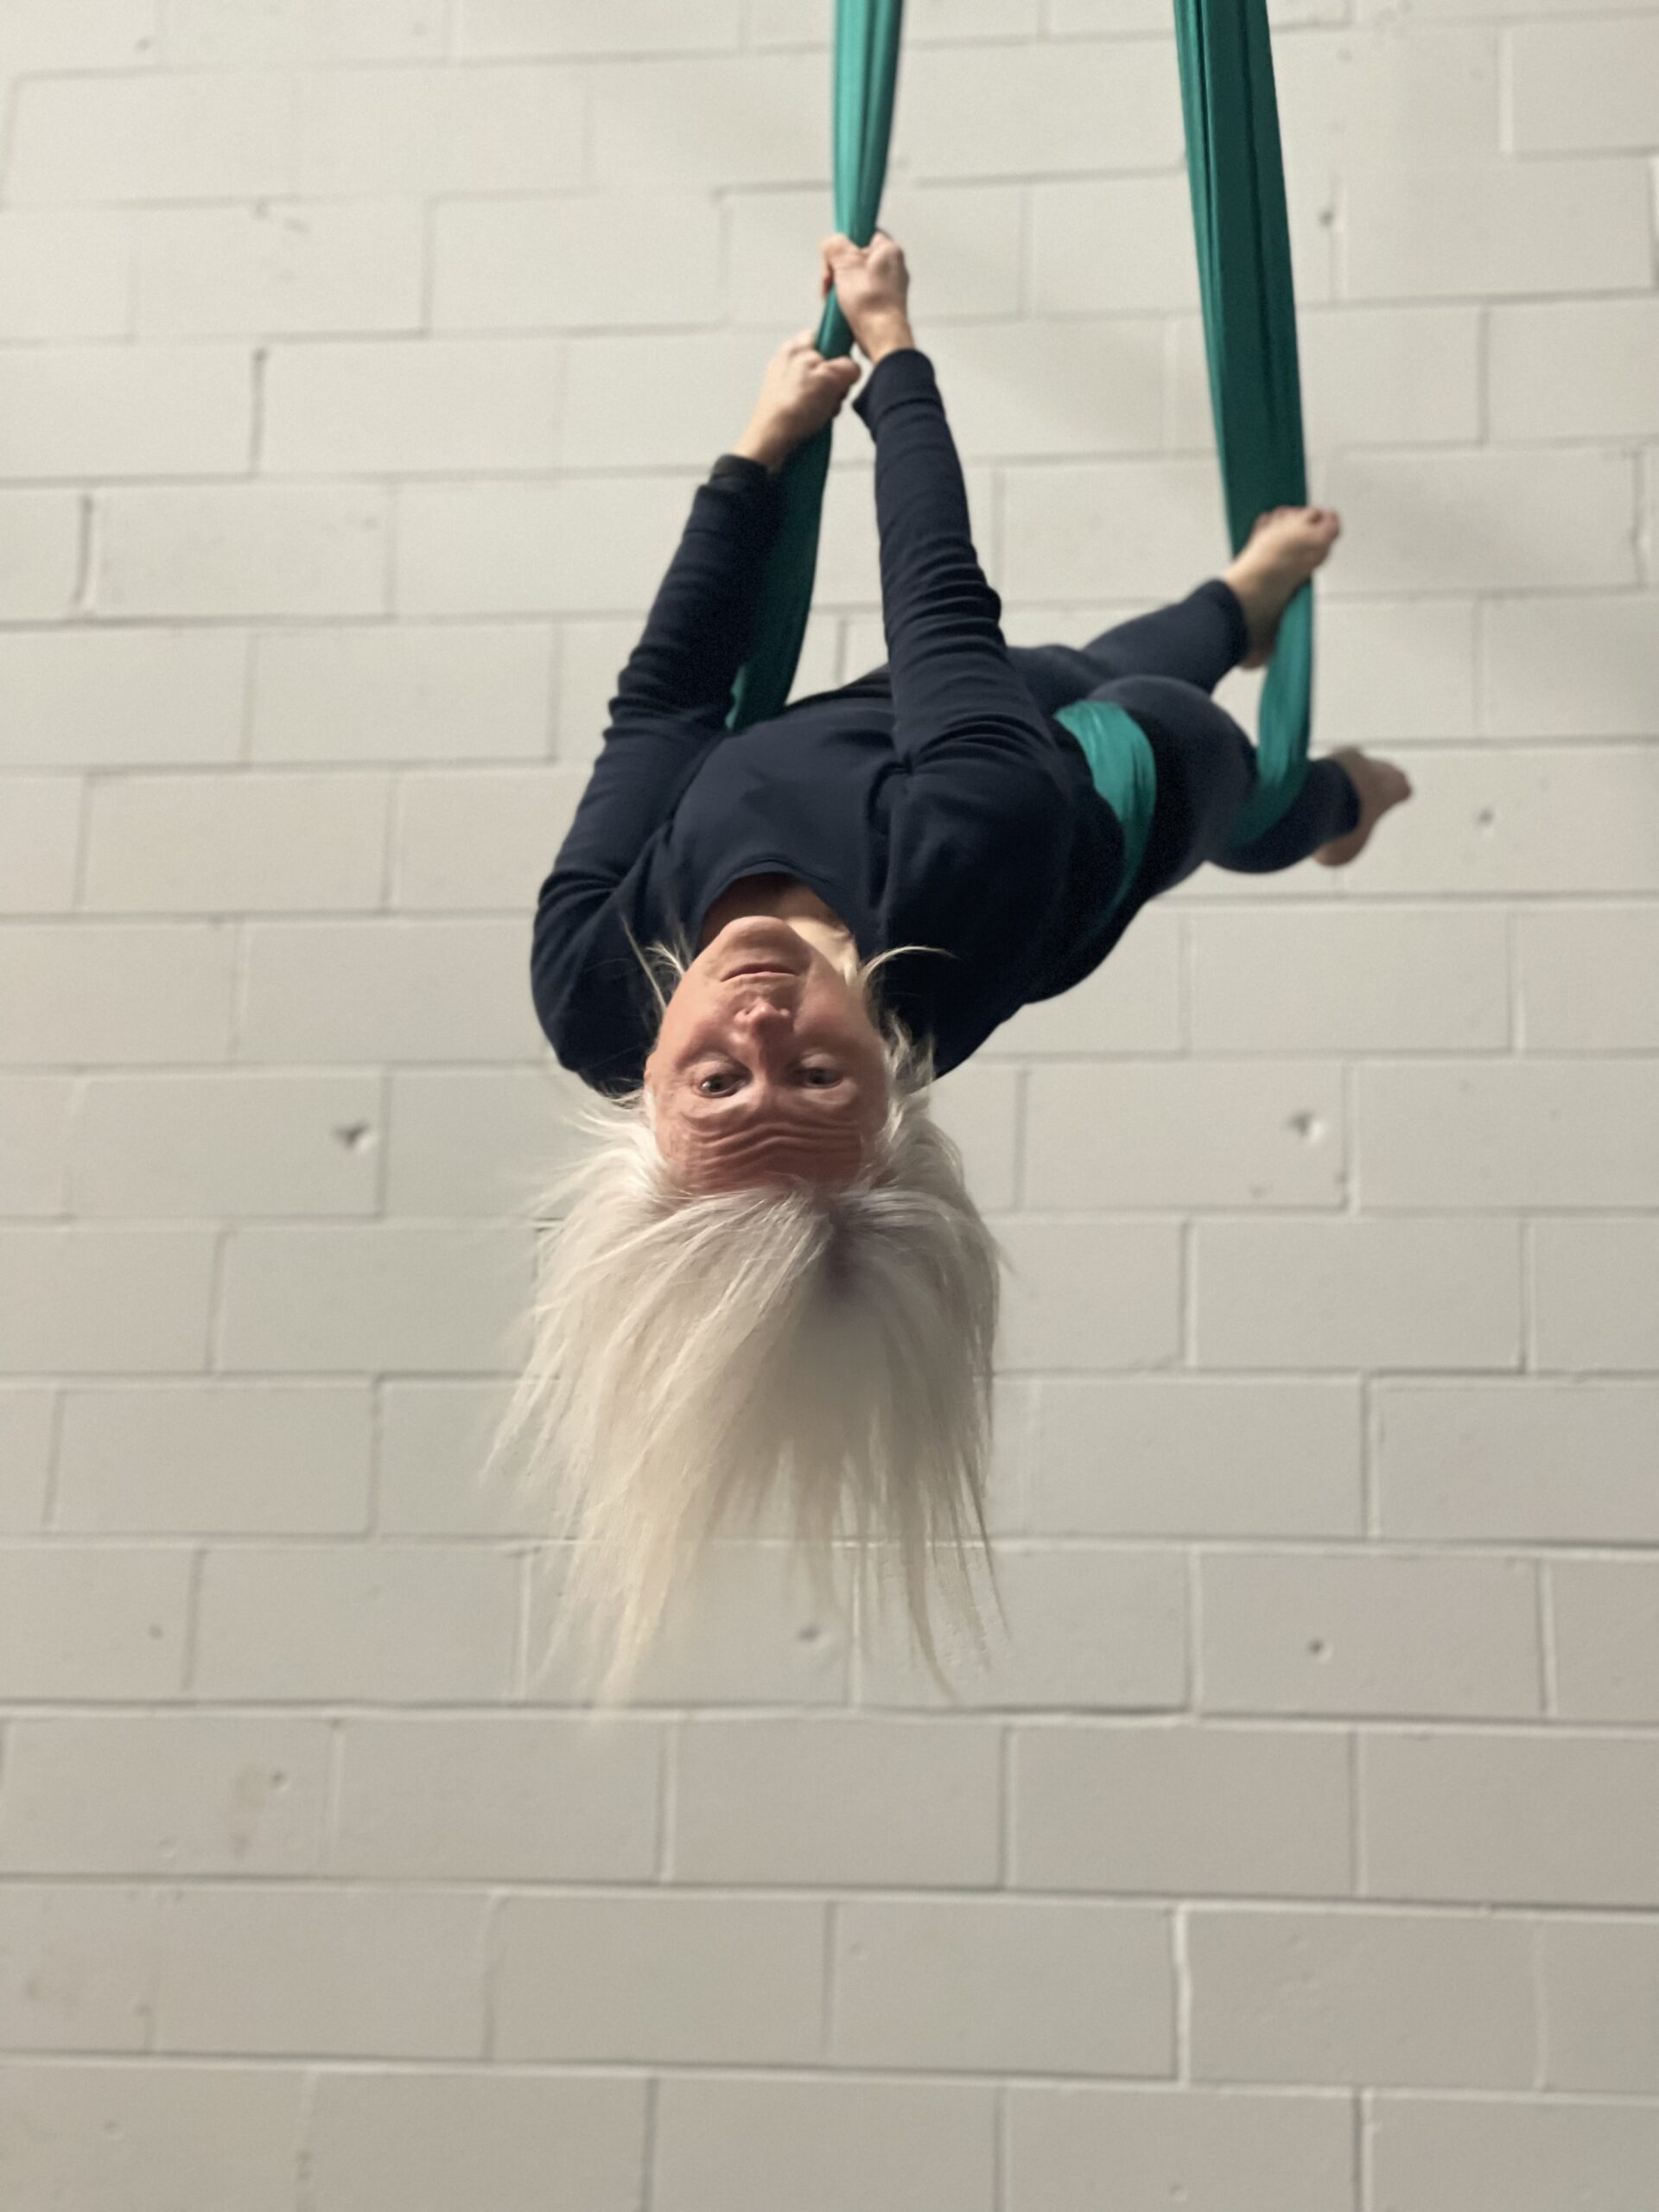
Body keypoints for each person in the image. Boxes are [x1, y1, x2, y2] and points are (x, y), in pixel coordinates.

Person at [497, 231, 1412, 1697]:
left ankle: (1240, 599)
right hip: (1095, 814)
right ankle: (1336, 803)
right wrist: (894, 354)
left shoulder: (593, 986)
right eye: (816, 1068)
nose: (758, 1012)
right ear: (895, 1086)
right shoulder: (965, 864)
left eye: (720, 1075)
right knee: (1190, 734)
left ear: (643, 1103)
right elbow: (937, 600)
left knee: (1076, 661)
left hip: (916, 732)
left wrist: (758, 451)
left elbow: (664, 701)